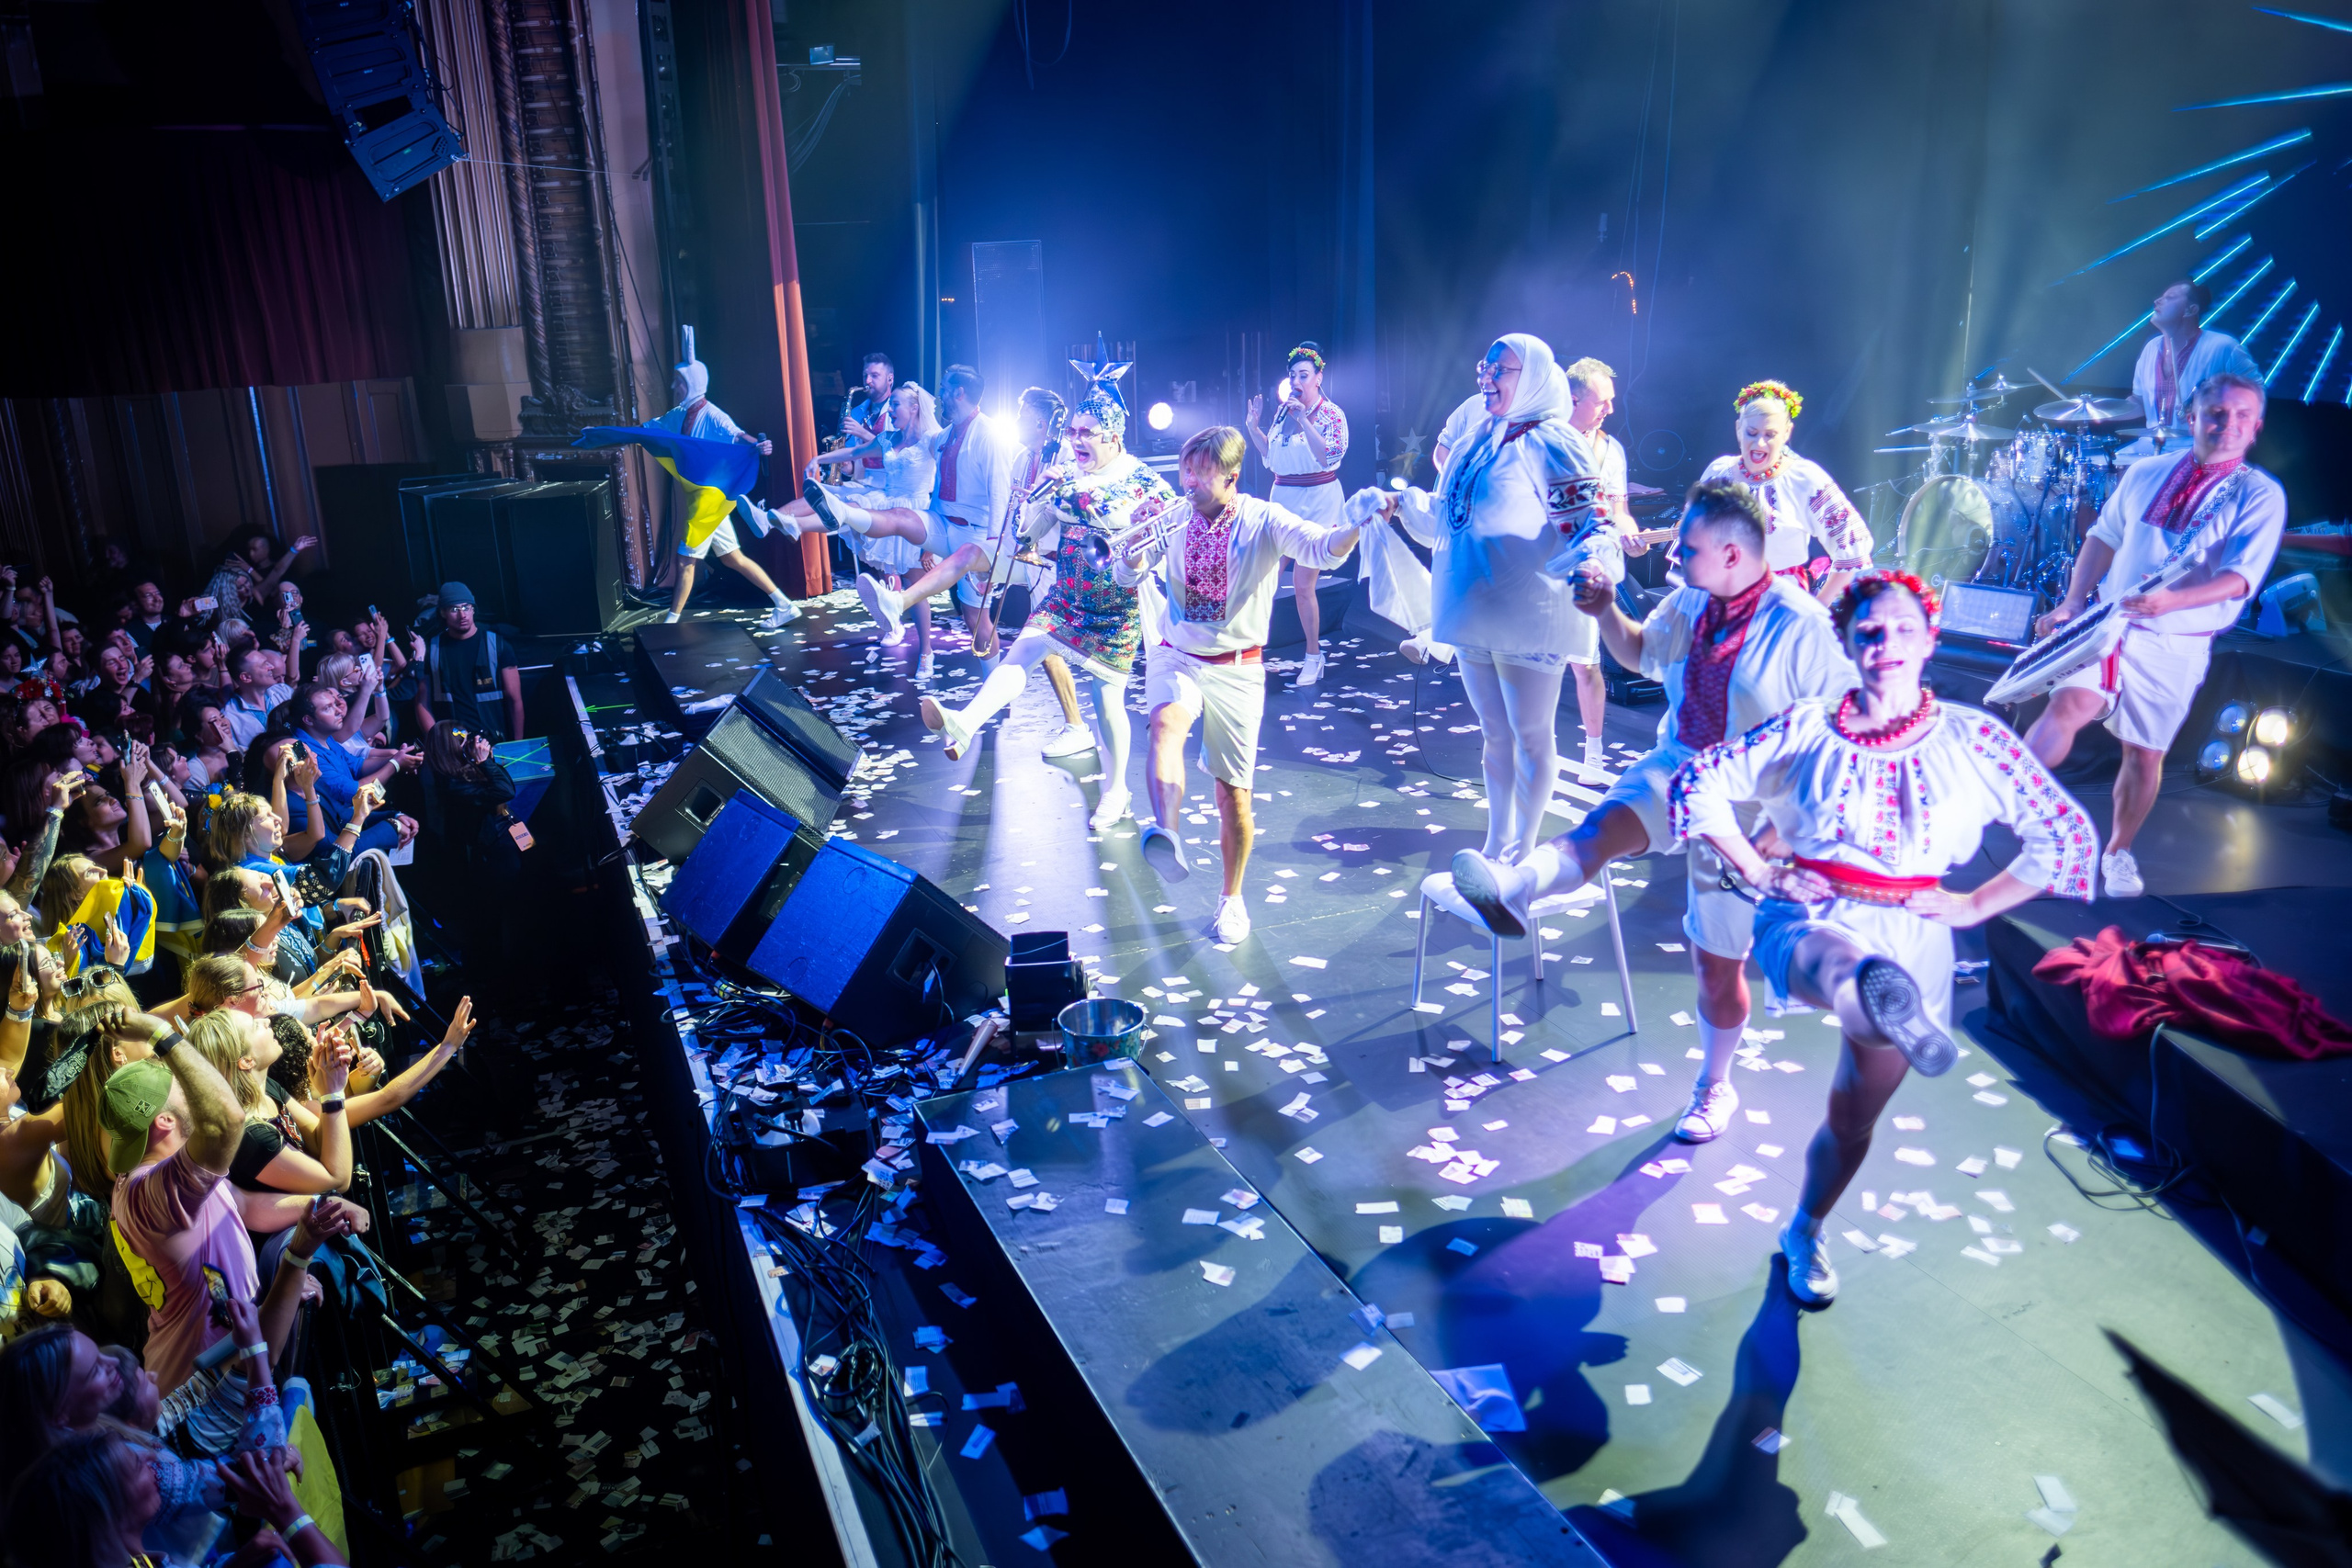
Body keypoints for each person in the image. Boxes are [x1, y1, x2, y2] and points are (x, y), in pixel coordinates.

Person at [1668, 570, 2098, 1303]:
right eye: (1868, 632)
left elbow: (2064, 835)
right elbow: (1699, 780)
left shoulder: (1975, 739)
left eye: (1903, 629)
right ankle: (1869, 990)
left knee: (1851, 1120)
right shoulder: (1805, 726)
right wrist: (1760, 870)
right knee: (1843, 966)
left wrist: (1972, 905)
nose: (1885, 644)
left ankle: (1806, 1228)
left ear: (1930, 641)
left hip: (1917, 929)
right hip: (1810, 912)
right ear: (1846, 643)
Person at [1448, 482, 1858, 1144]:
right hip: (1682, 763)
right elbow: (1640, 653)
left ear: (1732, 553)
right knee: (1600, 830)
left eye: (1688, 548)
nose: (1675, 558)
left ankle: (1715, 1084)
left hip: (1751, 801)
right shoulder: (1691, 599)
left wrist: (1784, 829)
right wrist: (1605, 609)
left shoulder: (1802, 626)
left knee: (1716, 966)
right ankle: (1515, 890)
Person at [2025, 372, 2285, 898]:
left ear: (2256, 427)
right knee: (2068, 706)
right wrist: (2073, 601)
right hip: (2109, 623)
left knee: (2143, 754)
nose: (2228, 424)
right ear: (2192, 418)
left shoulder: (2261, 495)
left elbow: (2239, 580)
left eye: (2242, 416)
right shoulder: (2146, 471)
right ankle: (1999, 800)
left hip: (2175, 641)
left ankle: (2117, 853)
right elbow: (2102, 536)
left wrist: (2171, 602)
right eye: (2217, 413)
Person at [1118, 426, 1369, 944]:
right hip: (1176, 654)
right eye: (1186, 470)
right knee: (1165, 725)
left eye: (1201, 472)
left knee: (1233, 796)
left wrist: (1354, 528)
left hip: (1237, 665)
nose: (1188, 481)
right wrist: (1132, 549)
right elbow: (1126, 578)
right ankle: (1167, 834)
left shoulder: (1263, 519)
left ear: (1231, 476)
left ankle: (1231, 900)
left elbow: (1322, 549)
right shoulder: (1172, 517)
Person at [1385, 333, 1620, 875]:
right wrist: (1399, 504)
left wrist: (1591, 562)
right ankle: (1497, 840)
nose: (1487, 378)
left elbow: (1591, 524)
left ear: (1532, 376)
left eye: (1501, 369)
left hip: (1529, 611)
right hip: (1476, 609)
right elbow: (1446, 516)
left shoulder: (1554, 442)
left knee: (1531, 734)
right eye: (1485, 368)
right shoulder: (1476, 438)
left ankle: (1524, 846)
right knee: (1494, 735)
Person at [910, 388, 1177, 826]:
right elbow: (1027, 535)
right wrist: (1039, 496)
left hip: (1114, 607)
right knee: (1022, 652)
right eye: (1073, 431)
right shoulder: (1065, 475)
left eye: (1087, 432)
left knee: (1107, 701)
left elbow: (1167, 529)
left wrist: (1107, 514)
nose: (1076, 440)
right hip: (1066, 595)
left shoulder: (1142, 479)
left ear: (1113, 436)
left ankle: (1117, 791)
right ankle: (965, 722)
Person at [842, 387, 1094, 754]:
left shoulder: (1068, 459)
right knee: (967, 554)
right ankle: (898, 602)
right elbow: (1014, 516)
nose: (1016, 419)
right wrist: (988, 565)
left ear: (1041, 423)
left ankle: (1072, 725)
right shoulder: (1022, 458)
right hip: (1023, 555)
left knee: (1044, 649)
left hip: (1057, 565)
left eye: (1022, 414)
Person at [799, 365, 1019, 660]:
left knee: (975, 619)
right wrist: (928, 540)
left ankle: (993, 677)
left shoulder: (989, 435)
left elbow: (1000, 496)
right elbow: (937, 487)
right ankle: (843, 513)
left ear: (959, 393)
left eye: (943, 389)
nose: (938, 396)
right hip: (942, 523)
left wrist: (992, 556)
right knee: (900, 516)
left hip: (977, 536)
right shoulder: (945, 435)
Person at [774, 382, 943, 675]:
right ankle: (796, 524)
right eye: (891, 405)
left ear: (915, 408)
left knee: (916, 588)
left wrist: (930, 541)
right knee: (852, 510)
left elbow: (939, 483)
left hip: (915, 513)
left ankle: (926, 652)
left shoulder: (931, 439)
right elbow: (855, 451)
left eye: (896, 405)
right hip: (887, 505)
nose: (891, 410)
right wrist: (819, 458)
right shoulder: (888, 437)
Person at [654, 333, 796, 630]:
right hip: (704, 498)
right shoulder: (679, 415)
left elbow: (737, 435)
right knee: (733, 559)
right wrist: (616, 433)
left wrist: (758, 445)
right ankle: (785, 604)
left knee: (685, 560)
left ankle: (670, 624)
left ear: (692, 383)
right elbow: (652, 428)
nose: (674, 387)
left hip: (710, 500)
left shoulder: (713, 415)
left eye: (678, 382)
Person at [1695, 380, 1873, 604]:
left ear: (1787, 433)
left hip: (1778, 604)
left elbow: (1853, 546)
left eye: (1770, 434)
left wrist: (1819, 607)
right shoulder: (1718, 471)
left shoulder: (1805, 478)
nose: (1760, 443)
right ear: (1738, 429)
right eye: (1751, 433)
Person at [1559, 356, 1649, 778]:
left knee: (1585, 662)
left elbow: (1619, 510)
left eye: (1612, 400)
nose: (1610, 409)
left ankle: (1592, 755)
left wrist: (1631, 535)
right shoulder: (1543, 439)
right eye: (1602, 401)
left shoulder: (1611, 450)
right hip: (1539, 566)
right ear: (1573, 398)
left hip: (1588, 565)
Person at [1245, 344, 1350, 688]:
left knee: (1304, 585)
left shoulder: (1331, 414)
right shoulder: (1282, 413)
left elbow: (1327, 456)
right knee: (1265, 578)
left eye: (1304, 375)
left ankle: (1313, 655)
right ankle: (1248, 651)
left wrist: (1303, 419)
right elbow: (1273, 456)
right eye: (1293, 375)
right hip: (1284, 500)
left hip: (1318, 502)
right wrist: (1254, 429)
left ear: (1318, 378)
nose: (1296, 381)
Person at [290, 684, 419, 857]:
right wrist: (395, 765)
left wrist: (398, 758)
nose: (338, 711)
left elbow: (357, 765)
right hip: (340, 837)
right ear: (308, 720)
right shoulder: (308, 754)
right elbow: (355, 793)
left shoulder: (326, 739)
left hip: (348, 821)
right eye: (328, 708)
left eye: (335, 704)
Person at [2130, 278, 2259, 446]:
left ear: (2191, 310)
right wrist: (2100, 410)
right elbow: (2139, 402)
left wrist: (2215, 407)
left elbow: (2256, 395)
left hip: (2200, 448)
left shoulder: (2223, 347)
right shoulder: (2151, 348)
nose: (2157, 301)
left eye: (2169, 298)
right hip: (2151, 446)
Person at [412, 583, 524, 746]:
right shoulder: (433, 650)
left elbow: (515, 701)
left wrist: (518, 745)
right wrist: (437, 743)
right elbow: (422, 703)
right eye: (454, 609)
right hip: (453, 746)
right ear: (443, 613)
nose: (462, 615)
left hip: (494, 743)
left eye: (466, 607)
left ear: (473, 609)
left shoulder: (498, 646)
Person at [220, 647, 290, 753]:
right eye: (264, 664)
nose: (271, 667)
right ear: (246, 677)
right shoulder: (230, 717)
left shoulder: (283, 691)